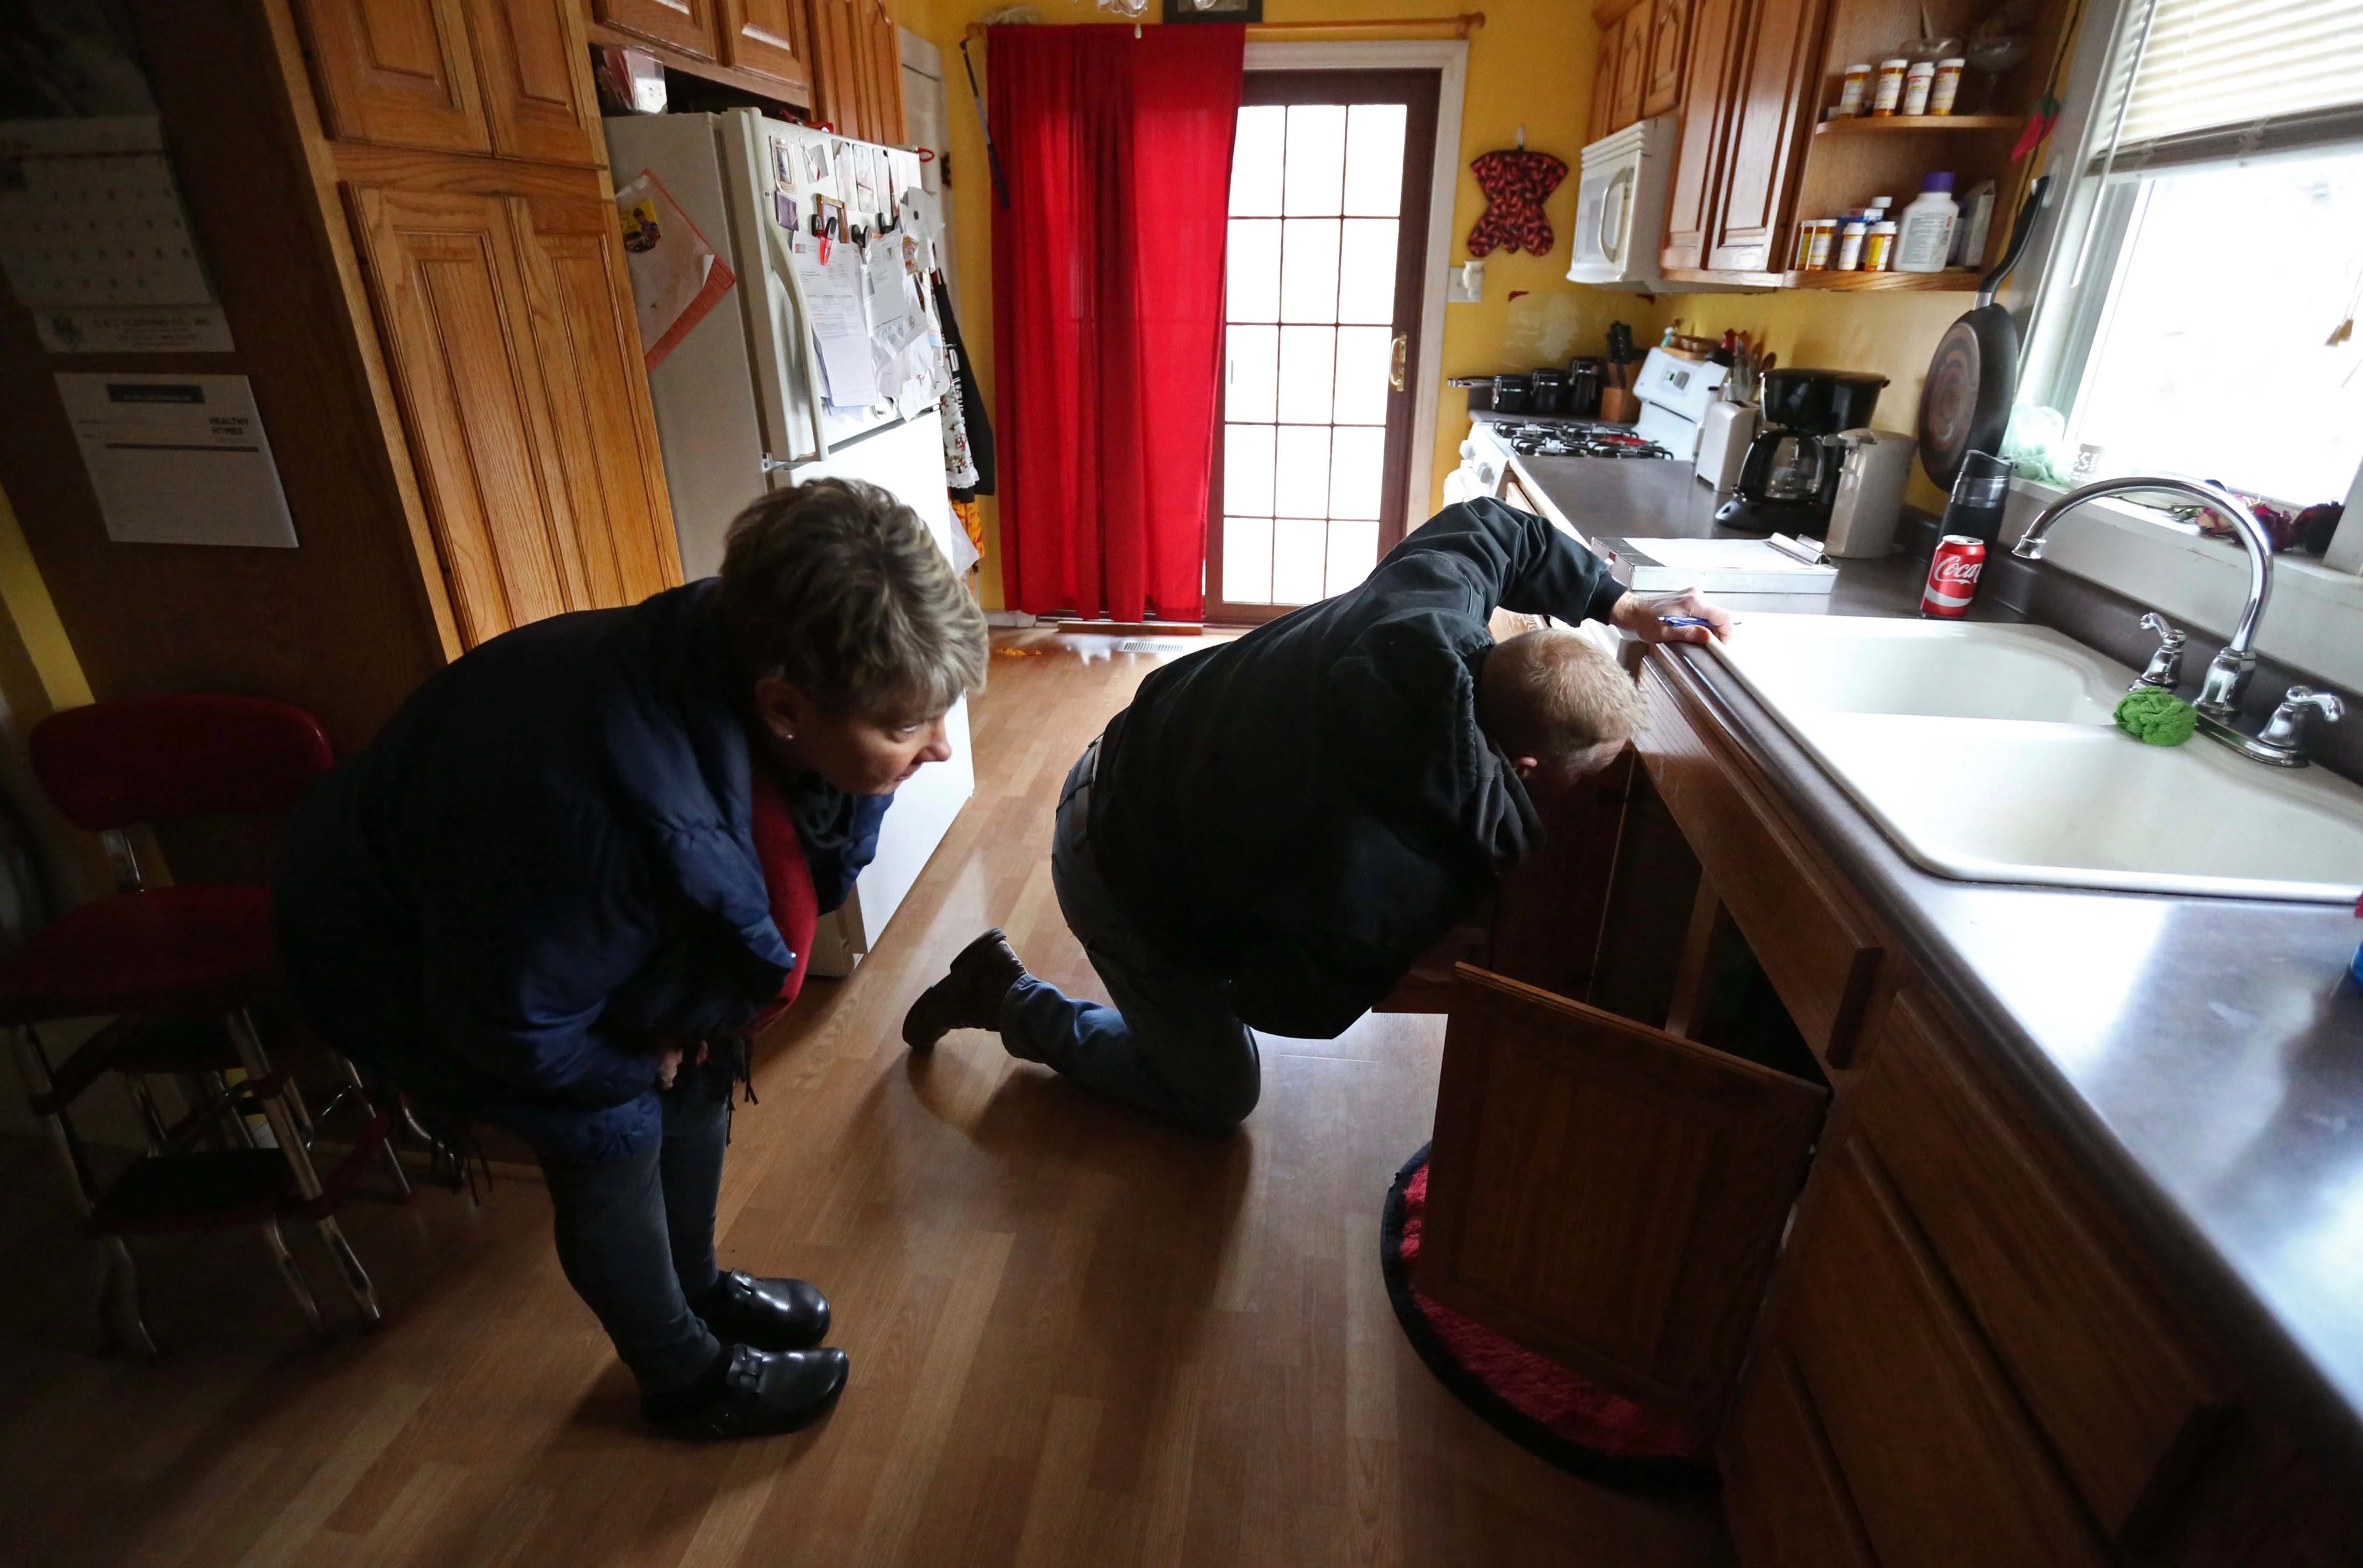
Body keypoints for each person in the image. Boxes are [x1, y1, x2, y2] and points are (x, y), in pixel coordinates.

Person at [276, 479, 986, 1438]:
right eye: (908, 729)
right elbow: (509, 1024)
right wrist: (625, 1062)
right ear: (785, 707)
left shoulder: (760, 661)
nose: (941, 747)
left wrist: (682, 1033)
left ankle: (693, 1286)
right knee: (609, 1129)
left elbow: (808, 858)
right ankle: (683, 1377)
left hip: (546, 935)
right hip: (405, 956)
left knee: (699, 1062)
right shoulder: (582, 817)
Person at [901, 497, 1729, 1134]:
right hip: (1112, 859)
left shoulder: (1426, 609)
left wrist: (1621, 605)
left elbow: (1492, 527)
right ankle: (1005, 995)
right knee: (1218, 1093)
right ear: (1526, 770)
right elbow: (1284, 1003)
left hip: (1129, 757)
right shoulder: (1405, 865)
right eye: (1584, 782)